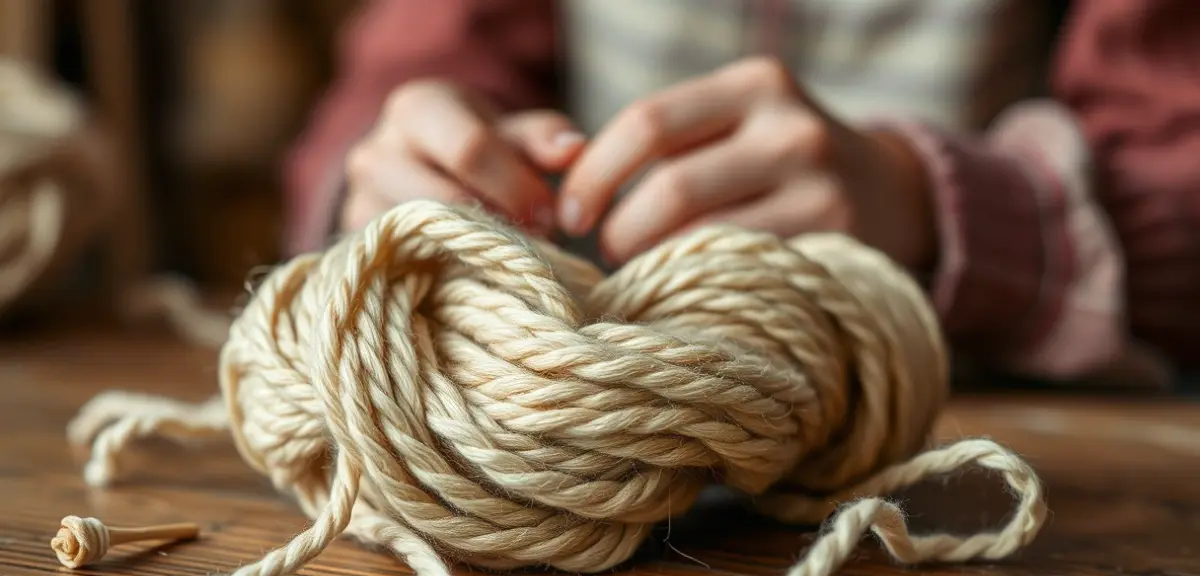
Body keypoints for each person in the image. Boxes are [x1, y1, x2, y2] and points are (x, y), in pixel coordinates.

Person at [282, 0, 1200, 386]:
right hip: (588, 377)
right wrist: (384, 190)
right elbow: (400, 82)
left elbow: (1178, 168)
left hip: (975, 400)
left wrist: (932, 206)